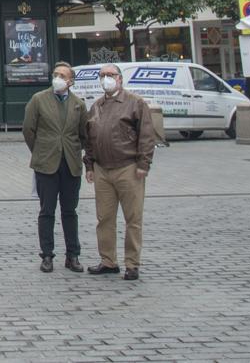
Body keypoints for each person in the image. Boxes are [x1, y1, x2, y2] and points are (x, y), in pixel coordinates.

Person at [84, 62, 158, 281]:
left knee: (133, 218)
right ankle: (108, 261)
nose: (106, 78)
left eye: (110, 75)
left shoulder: (135, 103)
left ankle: (132, 263)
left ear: (120, 79)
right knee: (104, 218)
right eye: (102, 75)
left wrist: (144, 164)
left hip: (128, 167)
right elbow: (89, 138)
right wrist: (89, 165)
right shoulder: (97, 105)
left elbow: (146, 135)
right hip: (102, 169)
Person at [22, 63, 88, 273]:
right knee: (46, 211)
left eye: (62, 75)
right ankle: (47, 255)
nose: (58, 78)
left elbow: (83, 134)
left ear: (71, 81)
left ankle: (73, 254)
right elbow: (28, 130)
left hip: (70, 163)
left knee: (70, 211)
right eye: (55, 74)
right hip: (46, 163)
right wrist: (40, 150)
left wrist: (73, 149)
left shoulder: (78, 104)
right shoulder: (39, 99)